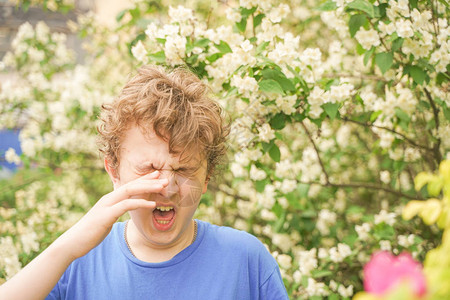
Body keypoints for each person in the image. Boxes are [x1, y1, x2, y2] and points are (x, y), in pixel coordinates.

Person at [0, 66, 289, 300]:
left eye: (185, 169)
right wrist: (64, 249)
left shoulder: (247, 261)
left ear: (207, 177)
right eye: (149, 168)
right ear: (114, 171)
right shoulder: (75, 264)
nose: (168, 187)